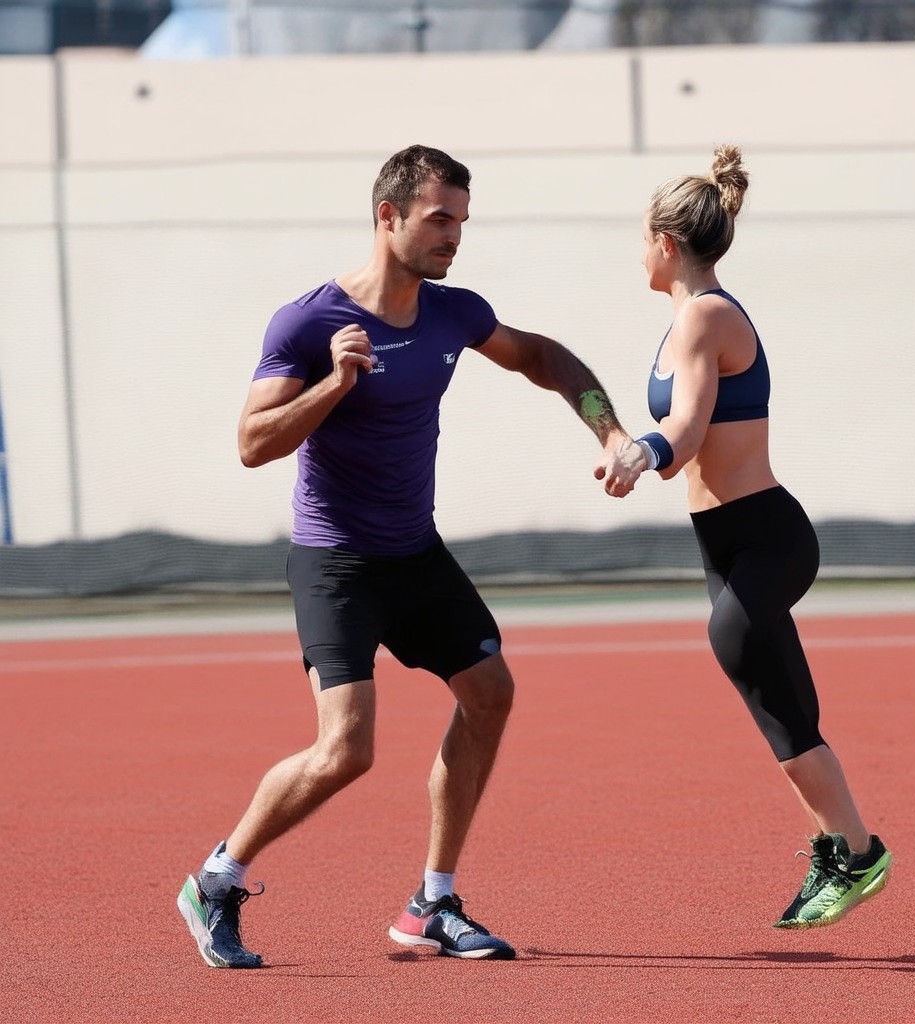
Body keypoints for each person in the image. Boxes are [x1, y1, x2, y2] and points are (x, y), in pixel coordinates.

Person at [176, 144, 634, 967]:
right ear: (387, 217)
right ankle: (216, 878)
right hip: (336, 562)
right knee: (347, 750)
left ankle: (433, 901)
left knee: (490, 691)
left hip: (414, 553)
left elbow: (546, 358)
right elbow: (251, 444)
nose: (454, 235)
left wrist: (608, 427)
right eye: (439, 219)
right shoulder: (308, 323)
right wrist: (333, 386)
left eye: (461, 219)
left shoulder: (455, 313)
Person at [596, 145, 892, 929]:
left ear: (664, 242)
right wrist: (629, 443)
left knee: (749, 663)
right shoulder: (686, 322)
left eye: (641, 239)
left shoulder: (707, 316)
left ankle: (859, 851)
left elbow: (685, 434)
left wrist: (643, 451)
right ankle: (840, 845)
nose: (639, 254)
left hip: (765, 534)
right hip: (723, 539)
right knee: (773, 702)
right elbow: (682, 435)